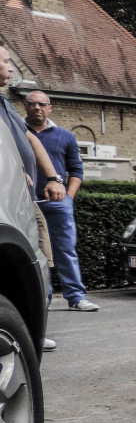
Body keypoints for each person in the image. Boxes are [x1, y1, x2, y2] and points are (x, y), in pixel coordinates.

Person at [0, 46, 67, 347]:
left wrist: (52, 176)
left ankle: (30, 333)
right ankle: (23, 336)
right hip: (10, 200)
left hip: (22, 199)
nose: (11, 66)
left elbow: (29, 137)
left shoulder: (4, 104)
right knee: (28, 264)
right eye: (5, 60)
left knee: (41, 262)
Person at [25, 90, 99, 312]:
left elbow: (76, 170)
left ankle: (76, 297)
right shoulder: (16, 132)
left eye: (42, 104)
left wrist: (68, 197)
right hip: (27, 202)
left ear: (50, 108)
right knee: (35, 254)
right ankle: (42, 300)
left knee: (66, 249)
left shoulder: (65, 136)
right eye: (32, 103)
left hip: (58, 203)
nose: (37, 107)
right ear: (25, 106)